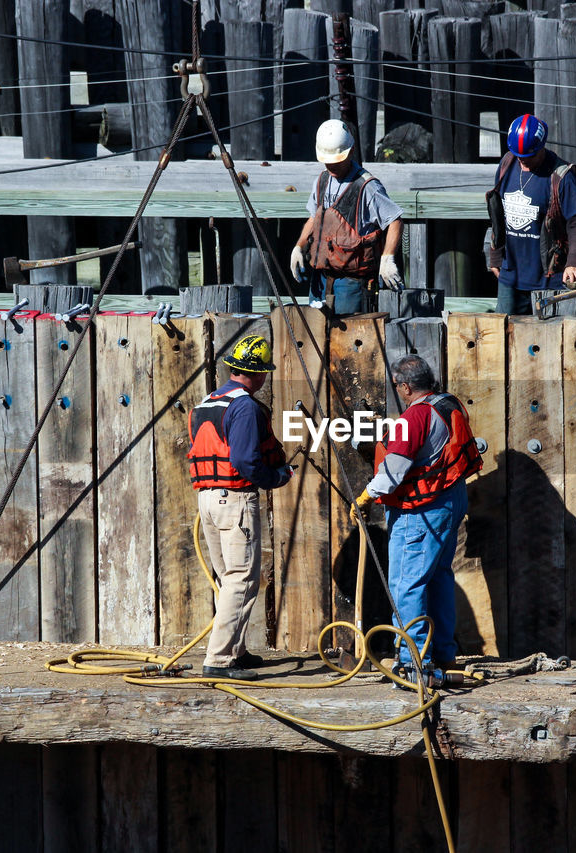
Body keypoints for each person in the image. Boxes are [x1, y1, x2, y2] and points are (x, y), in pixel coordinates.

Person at [349, 355, 482, 688]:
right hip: (450, 501)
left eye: (398, 386)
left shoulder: (416, 416)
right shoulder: (447, 405)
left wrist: (366, 496)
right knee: (438, 578)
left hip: (421, 510)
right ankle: (443, 654)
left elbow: (392, 474)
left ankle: (413, 664)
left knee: (406, 585)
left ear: (405, 386)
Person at [187, 334, 294, 680]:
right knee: (241, 580)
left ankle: (235, 650)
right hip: (235, 500)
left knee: (227, 578)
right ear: (260, 374)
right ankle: (219, 661)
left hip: (207, 499)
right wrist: (277, 477)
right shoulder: (245, 406)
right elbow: (246, 461)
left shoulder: (207, 401)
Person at [290, 119, 405, 315]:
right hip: (321, 278)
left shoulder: (368, 187)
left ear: (351, 152)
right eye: (328, 161)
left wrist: (387, 258)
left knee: (348, 342)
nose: (332, 166)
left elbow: (395, 220)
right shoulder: (322, 180)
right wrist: (299, 246)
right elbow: (315, 217)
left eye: (337, 161)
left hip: (352, 284)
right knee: (315, 335)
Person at [486, 113, 576, 315]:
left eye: (529, 156)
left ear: (541, 147)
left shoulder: (561, 176)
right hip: (510, 277)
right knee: (505, 338)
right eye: (520, 156)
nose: (524, 162)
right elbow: (497, 215)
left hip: (549, 280)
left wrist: (573, 264)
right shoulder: (507, 165)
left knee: (548, 341)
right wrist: (494, 255)